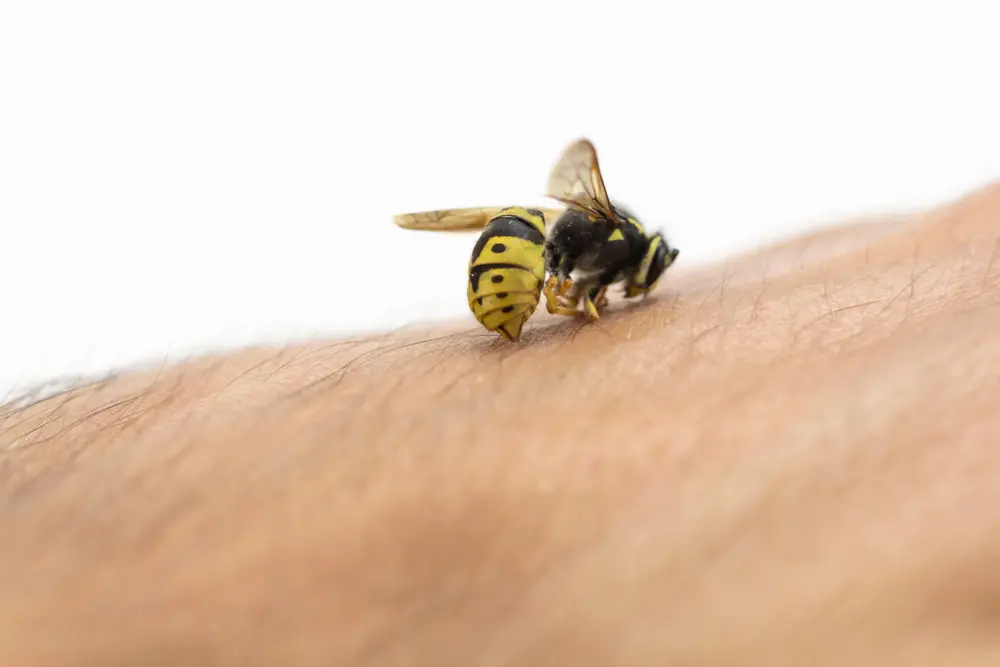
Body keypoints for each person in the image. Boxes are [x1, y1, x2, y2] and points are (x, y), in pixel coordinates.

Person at [2, 182, 999, 666]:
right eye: (639, 276)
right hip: (522, 270)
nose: (640, 287)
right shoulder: (596, 243)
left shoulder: (585, 243)